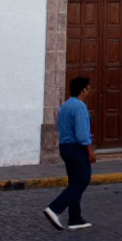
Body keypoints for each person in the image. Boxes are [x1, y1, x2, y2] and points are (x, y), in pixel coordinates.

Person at [44, 76, 96, 231]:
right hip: (76, 148)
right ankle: (55, 208)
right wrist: (90, 151)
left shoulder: (65, 105)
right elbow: (81, 134)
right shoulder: (80, 107)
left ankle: (75, 218)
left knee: (75, 181)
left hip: (65, 147)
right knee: (83, 180)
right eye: (88, 87)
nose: (90, 90)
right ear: (83, 89)